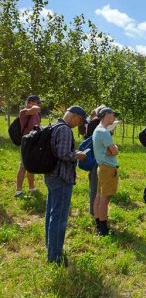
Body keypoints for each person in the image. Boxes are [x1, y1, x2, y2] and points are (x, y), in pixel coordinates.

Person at [44, 105, 88, 264]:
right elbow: (63, 153)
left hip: (50, 175)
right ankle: (55, 256)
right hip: (61, 177)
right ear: (75, 116)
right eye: (81, 121)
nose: (79, 124)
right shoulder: (64, 130)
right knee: (59, 217)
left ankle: (50, 247)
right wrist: (78, 155)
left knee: (51, 213)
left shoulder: (54, 125)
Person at [92, 108, 120, 236]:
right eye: (113, 115)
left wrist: (111, 149)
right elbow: (114, 151)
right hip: (108, 169)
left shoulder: (98, 130)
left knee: (99, 195)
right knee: (105, 198)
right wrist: (115, 148)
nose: (114, 117)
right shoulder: (104, 132)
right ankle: (103, 229)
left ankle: (99, 224)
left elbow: (110, 150)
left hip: (102, 167)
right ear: (106, 115)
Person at [15, 94, 42, 197]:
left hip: (34, 142)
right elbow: (33, 109)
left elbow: (37, 126)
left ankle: (31, 188)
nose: (39, 105)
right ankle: (18, 191)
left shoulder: (37, 114)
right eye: (37, 102)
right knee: (23, 166)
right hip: (26, 142)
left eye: (39, 102)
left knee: (31, 166)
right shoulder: (24, 112)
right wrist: (36, 107)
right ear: (29, 103)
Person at [84, 104, 106, 217]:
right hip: (96, 158)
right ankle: (94, 212)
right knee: (95, 185)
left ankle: (94, 210)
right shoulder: (96, 122)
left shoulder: (94, 122)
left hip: (96, 157)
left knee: (96, 185)